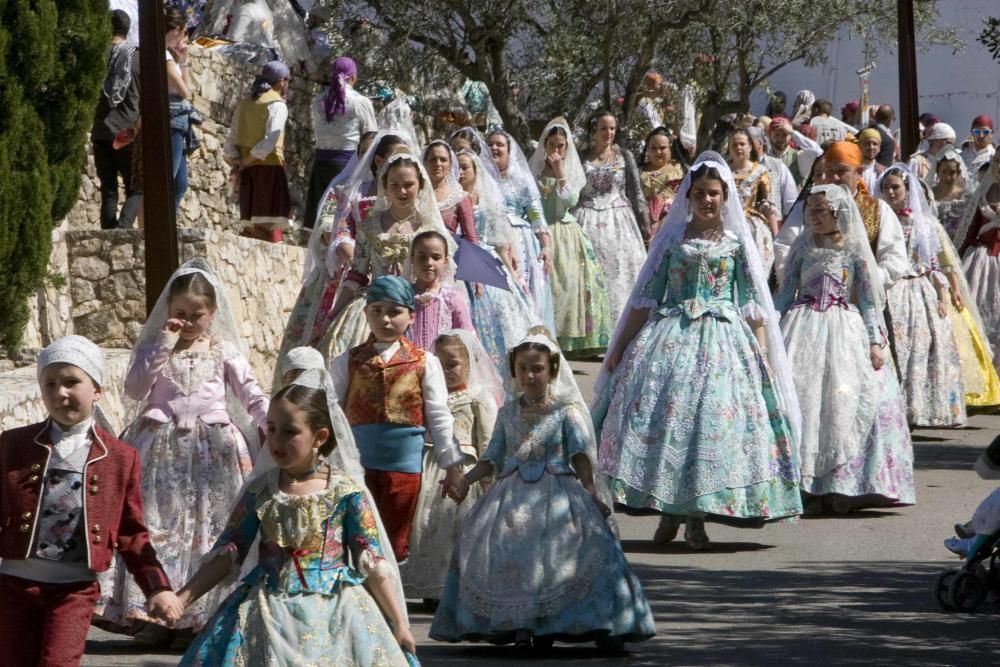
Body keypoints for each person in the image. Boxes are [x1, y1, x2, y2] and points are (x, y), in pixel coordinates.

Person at [595, 153, 803, 549]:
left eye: (715, 194)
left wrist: (761, 353)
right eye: (701, 193)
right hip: (671, 335)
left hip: (723, 339)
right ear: (688, 197)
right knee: (670, 421)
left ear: (726, 197)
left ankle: (694, 518)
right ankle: (670, 511)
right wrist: (619, 348)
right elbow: (645, 298)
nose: (707, 200)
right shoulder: (672, 241)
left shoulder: (736, 245)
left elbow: (752, 304)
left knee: (710, 423)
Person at [175, 369, 418, 665]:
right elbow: (230, 549)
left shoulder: (346, 493)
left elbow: (372, 561)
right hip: (266, 609)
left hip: (336, 613)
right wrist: (183, 597)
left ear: (320, 436)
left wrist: (400, 623)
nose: (276, 440)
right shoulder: (261, 491)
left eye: (290, 431)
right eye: (272, 428)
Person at [431, 333, 656, 650]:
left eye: (536, 369)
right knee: (510, 554)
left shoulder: (565, 411)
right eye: (522, 369)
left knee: (572, 553)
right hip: (510, 493)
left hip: (558, 491)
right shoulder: (507, 412)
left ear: (551, 370)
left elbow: (579, 455)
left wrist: (590, 492)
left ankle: (603, 622)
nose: (529, 376)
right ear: (515, 372)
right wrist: (465, 480)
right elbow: (492, 456)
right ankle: (523, 625)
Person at [98, 259, 269, 646]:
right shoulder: (157, 345)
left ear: (212, 314)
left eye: (197, 315)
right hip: (159, 446)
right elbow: (136, 389)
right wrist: (163, 343)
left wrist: (274, 422)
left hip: (214, 451)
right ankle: (154, 612)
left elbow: (251, 393)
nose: (188, 322)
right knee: (158, 526)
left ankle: (197, 615)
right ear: (167, 311)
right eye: (180, 314)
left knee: (208, 530)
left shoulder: (223, 350)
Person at [0, 336, 183, 667]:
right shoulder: (13, 446)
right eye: (50, 384)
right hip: (14, 584)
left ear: (97, 389)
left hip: (74, 590)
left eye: (72, 382)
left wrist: (158, 588)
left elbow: (132, 532)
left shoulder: (120, 457)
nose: (60, 393)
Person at [774, 186, 914, 512]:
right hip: (802, 328)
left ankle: (841, 487)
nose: (814, 215)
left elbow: (867, 301)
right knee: (805, 405)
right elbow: (785, 295)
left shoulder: (853, 250)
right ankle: (805, 488)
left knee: (846, 405)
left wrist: (875, 342)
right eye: (811, 209)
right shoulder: (802, 247)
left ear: (838, 213)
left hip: (844, 331)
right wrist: (769, 335)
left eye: (821, 209)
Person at [330, 275, 466, 562]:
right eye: (376, 311)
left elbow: (439, 414)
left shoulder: (424, 361)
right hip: (357, 466)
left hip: (404, 468)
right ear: (365, 313)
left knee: (394, 539)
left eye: (395, 311)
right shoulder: (349, 360)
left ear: (411, 316)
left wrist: (452, 464)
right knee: (357, 536)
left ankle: (393, 600)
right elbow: (332, 411)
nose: (386, 319)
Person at [324, 153, 456, 360]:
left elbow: (441, 275)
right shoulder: (370, 224)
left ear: (420, 186)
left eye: (408, 184)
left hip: (417, 306)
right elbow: (357, 274)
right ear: (384, 186)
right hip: (374, 303)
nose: (402, 191)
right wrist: (332, 316)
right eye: (394, 184)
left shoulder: (429, 227)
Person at [403, 330, 500, 605]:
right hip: (428, 467)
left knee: (457, 528)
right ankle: (431, 586)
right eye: (440, 364)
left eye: (453, 364)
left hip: (464, 472)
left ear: (469, 363)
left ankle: (455, 584)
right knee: (426, 527)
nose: (446, 371)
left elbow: (489, 442)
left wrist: (486, 478)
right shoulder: (429, 396)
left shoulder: (478, 398)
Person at [878, 165, 966, 427]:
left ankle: (918, 409)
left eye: (896, 187)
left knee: (921, 349)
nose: (890, 192)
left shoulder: (923, 224)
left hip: (918, 291)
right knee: (893, 348)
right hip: (889, 288)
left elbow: (935, 263)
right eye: (886, 188)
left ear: (907, 190)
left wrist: (943, 295)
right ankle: (891, 409)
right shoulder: (878, 219)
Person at [529, 118, 612, 357]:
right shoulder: (533, 170)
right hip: (540, 232)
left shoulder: (570, 170)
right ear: (544, 144)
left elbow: (570, 201)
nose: (556, 150)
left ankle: (565, 345)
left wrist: (561, 173)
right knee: (545, 288)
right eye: (552, 144)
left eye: (561, 145)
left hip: (564, 233)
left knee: (566, 288)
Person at [456, 149, 541, 371]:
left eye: (465, 167)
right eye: (457, 167)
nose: (460, 171)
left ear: (476, 171)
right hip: (457, 260)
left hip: (486, 258)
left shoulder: (487, 198)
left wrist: (513, 275)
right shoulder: (449, 196)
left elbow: (500, 240)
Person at [573, 111, 649, 325]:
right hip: (586, 218)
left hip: (619, 221)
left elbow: (636, 191)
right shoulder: (581, 157)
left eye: (612, 128)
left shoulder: (624, 156)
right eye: (604, 128)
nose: (609, 133)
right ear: (594, 131)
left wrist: (645, 224)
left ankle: (621, 326)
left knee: (620, 274)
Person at [487, 129, 556, 332]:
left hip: (520, 240)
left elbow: (536, 215)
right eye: (490, 144)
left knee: (523, 288)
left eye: (499, 144)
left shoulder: (522, 180)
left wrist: (546, 246)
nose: (494, 148)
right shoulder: (479, 178)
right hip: (490, 239)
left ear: (510, 150)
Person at [306, 56, 378, 229]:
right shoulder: (360, 102)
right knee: (340, 216)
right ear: (353, 77)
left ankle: (320, 248)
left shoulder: (318, 101)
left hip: (321, 163)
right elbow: (370, 135)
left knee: (324, 216)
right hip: (346, 165)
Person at [224, 60, 292, 243]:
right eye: (287, 80)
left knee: (252, 229)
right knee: (267, 229)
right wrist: (247, 161)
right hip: (269, 169)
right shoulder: (277, 105)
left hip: (249, 172)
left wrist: (238, 161)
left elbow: (232, 138)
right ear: (280, 81)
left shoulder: (244, 104)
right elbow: (271, 140)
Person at [92, 9, 141, 230]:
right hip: (126, 131)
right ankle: (122, 230)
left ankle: (109, 233)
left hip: (101, 130)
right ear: (127, 29)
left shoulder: (97, 55)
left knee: (108, 188)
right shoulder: (136, 57)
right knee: (138, 187)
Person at [955, 150, 1000, 367]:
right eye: (997, 162)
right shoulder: (983, 192)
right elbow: (969, 229)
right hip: (981, 262)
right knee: (977, 311)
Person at [409, 231, 474, 350]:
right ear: (412, 258)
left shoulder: (452, 297)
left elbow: (466, 336)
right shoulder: (403, 295)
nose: (429, 263)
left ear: (445, 261)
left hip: (441, 365)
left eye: (436, 257)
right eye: (422, 257)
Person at [728, 128, 778, 274]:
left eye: (742, 144)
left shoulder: (760, 171)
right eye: (734, 145)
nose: (738, 148)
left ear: (750, 147)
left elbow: (767, 204)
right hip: (726, 223)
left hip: (752, 227)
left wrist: (776, 237)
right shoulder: (723, 172)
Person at [165, 6, 192, 212]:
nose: (183, 38)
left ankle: (169, 224)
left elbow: (187, 89)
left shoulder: (170, 57)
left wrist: (183, 60)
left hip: (178, 120)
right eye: (183, 32)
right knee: (168, 177)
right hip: (171, 118)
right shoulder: (163, 56)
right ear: (176, 30)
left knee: (180, 183)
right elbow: (185, 91)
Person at [423, 140, 478, 241]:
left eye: (443, 160)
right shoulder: (416, 194)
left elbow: (471, 237)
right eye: (433, 159)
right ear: (425, 163)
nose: (438, 163)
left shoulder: (459, 197)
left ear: (450, 165)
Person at [640, 126, 687, 233]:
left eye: (662, 148)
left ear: (670, 148)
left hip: (673, 224)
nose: (658, 152)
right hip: (644, 226)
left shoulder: (681, 171)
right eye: (653, 148)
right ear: (647, 149)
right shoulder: (639, 172)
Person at [747, 125, 797, 217]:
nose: (746, 147)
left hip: (772, 223)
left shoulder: (778, 166)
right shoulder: (736, 167)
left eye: (750, 143)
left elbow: (791, 201)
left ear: (760, 143)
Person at [933, 148, 972, 239]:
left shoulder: (965, 196)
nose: (947, 177)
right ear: (937, 172)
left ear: (958, 173)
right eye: (944, 172)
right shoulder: (929, 194)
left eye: (952, 172)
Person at [962, 115, 996, 184]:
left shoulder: (995, 157)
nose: (981, 136)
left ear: (991, 134)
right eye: (977, 132)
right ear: (972, 133)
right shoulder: (962, 156)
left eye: (985, 132)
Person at [858, 128, 887, 195]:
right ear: (859, 146)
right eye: (867, 143)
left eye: (875, 144)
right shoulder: (853, 170)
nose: (871, 147)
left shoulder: (884, 172)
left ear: (879, 148)